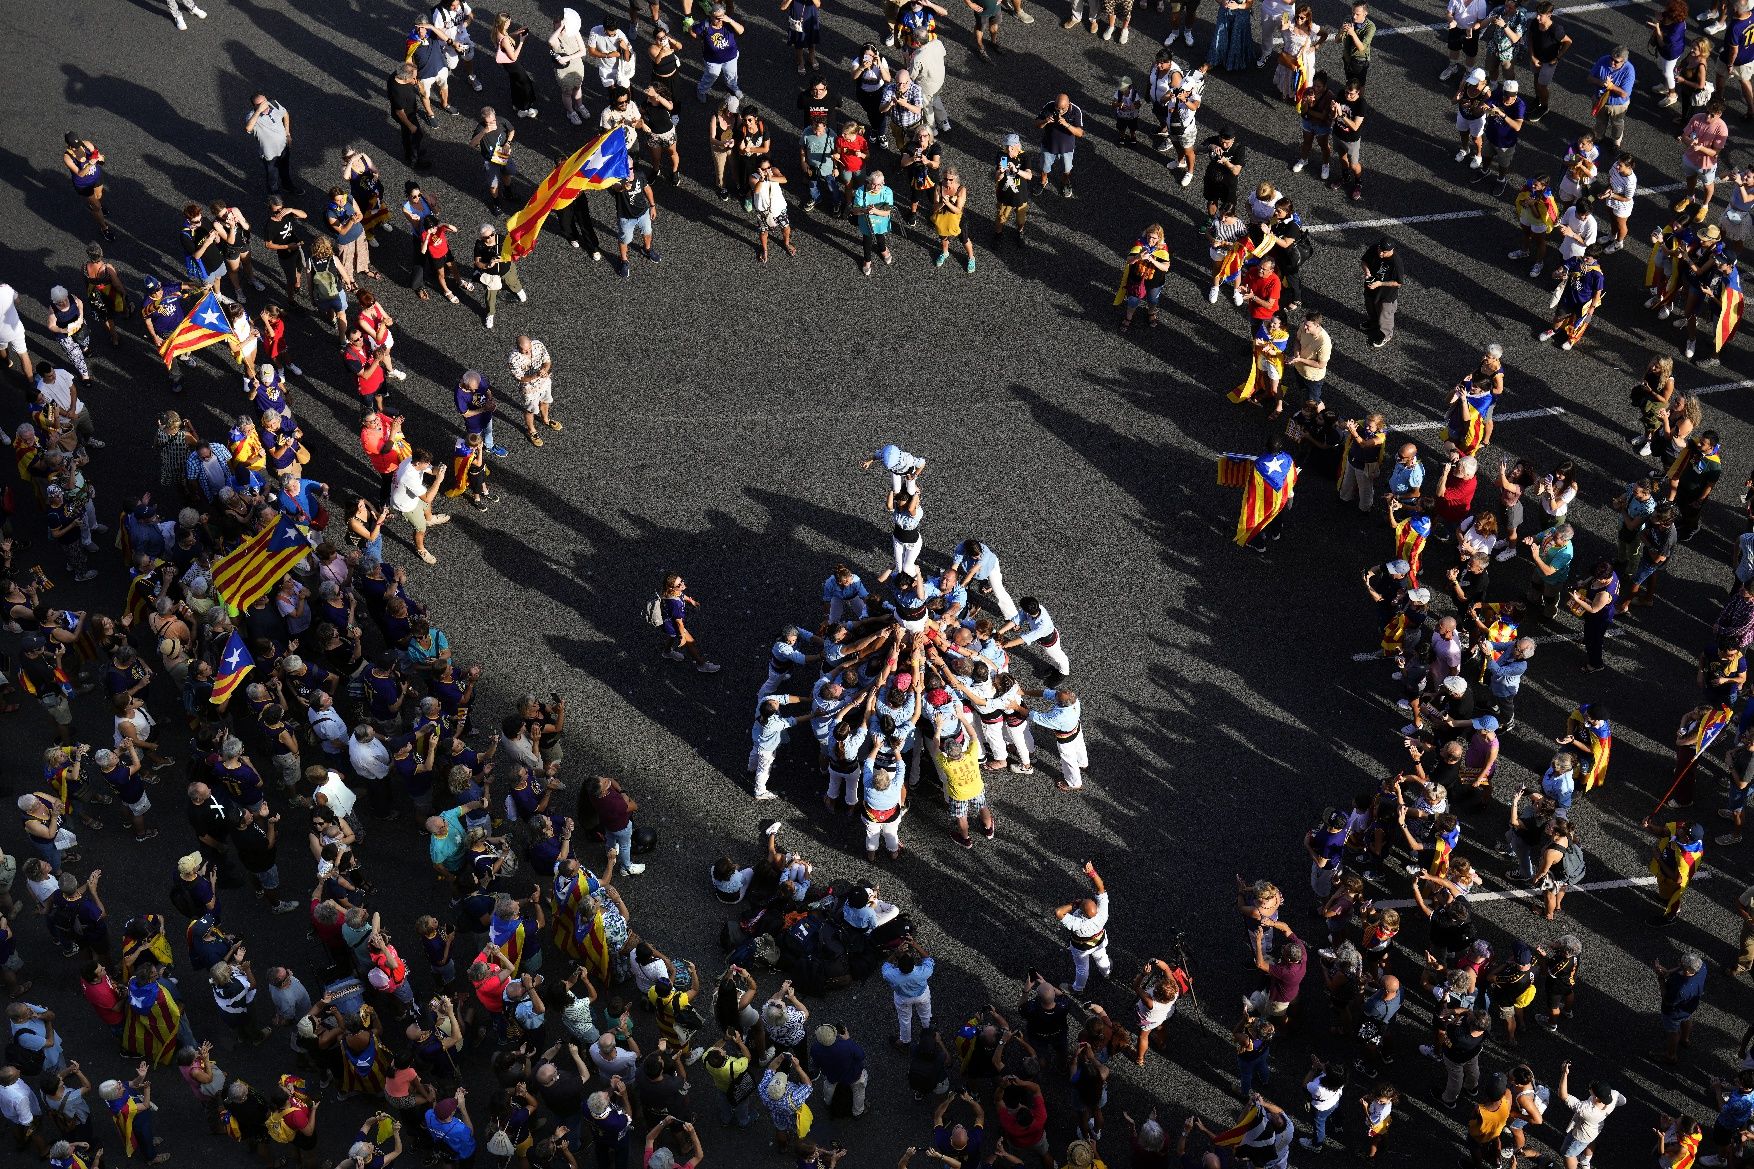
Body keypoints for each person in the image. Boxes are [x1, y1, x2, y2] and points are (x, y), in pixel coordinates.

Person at [244, 94, 299, 195]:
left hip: (283, 148)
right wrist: (259, 111)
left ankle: (288, 186)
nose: (264, 105)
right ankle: (275, 198)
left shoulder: (274, 104)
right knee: (272, 177)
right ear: (254, 106)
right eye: (259, 104)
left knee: (285, 170)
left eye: (264, 102)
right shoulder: (252, 116)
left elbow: (285, 114)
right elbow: (248, 128)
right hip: (269, 154)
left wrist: (287, 133)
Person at [1035, 93, 1085, 198]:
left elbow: (1080, 133)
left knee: (1066, 169)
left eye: (1062, 109)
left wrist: (1067, 124)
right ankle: (1043, 181)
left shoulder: (1076, 111)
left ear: (1068, 105)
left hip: (1066, 148)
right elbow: (1036, 124)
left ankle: (1064, 183)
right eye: (1057, 108)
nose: (1060, 111)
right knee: (1044, 167)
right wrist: (1045, 121)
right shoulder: (1049, 106)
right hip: (1048, 145)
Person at [1361, 237, 1401, 347]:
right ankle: (1374, 323)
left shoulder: (1395, 262)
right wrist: (1366, 271)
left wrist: (1380, 284)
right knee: (1370, 307)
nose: (1381, 253)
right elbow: (1364, 261)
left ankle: (1386, 334)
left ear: (1392, 250)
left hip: (1386, 294)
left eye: (1385, 252)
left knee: (1385, 315)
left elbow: (1398, 282)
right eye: (1380, 250)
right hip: (1371, 287)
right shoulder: (1374, 249)